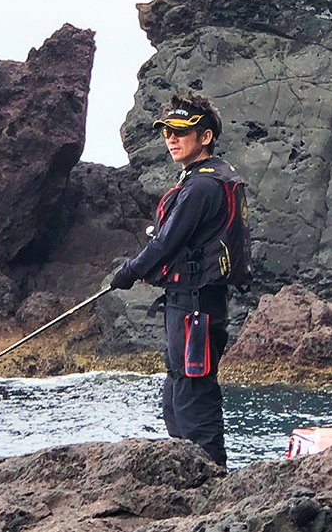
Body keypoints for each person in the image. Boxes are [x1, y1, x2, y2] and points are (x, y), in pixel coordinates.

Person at [110, 92, 250, 468]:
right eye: (167, 131)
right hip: (188, 303)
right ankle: (193, 481)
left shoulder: (202, 186)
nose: (171, 138)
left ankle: (213, 481)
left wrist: (127, 273)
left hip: (197, 307)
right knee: (176, 394)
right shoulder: (202, 179)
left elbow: (166, 243)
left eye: (180, 131)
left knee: (193, 394)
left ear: (205, 137)